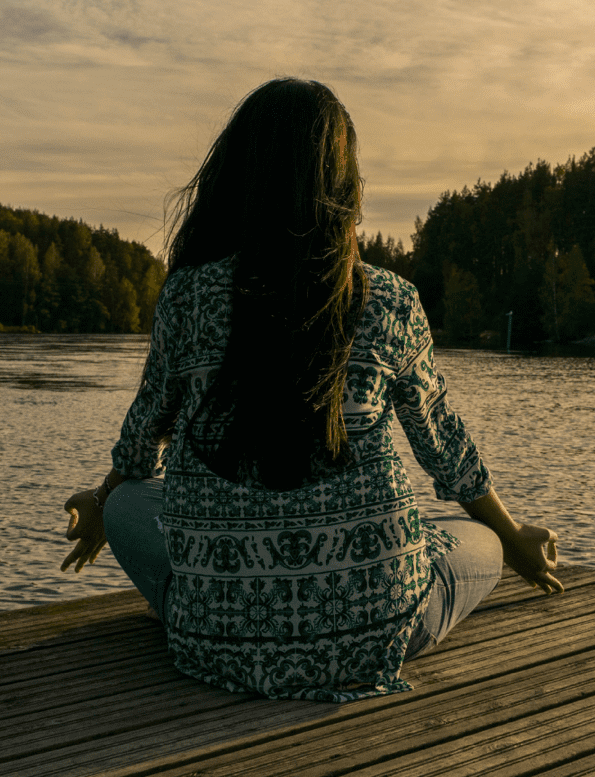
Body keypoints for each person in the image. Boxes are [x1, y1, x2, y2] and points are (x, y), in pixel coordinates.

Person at [60, 77, 562, 702]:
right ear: (344, 186)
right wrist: (513, 538)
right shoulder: (390, 299)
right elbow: (444, 448)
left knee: (132, 502)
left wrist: (104, 501)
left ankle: (214, 605)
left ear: (238, 174)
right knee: (478, 539)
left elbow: (141, 442)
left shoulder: (188, 295)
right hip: (378, 632)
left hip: (214, 643)